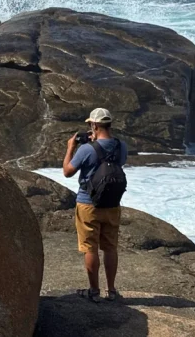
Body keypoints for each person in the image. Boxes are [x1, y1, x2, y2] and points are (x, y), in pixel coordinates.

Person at [62, 108, 128, 302]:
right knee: (110, 248)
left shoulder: (85, 149)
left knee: (90, 248)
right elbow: (116, 164)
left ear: (95, 125)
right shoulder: (121, 146)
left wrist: (70, 148)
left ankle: (94, 291)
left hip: (87, 204)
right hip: (112, 204)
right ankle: (112, 290)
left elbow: (67, 171)